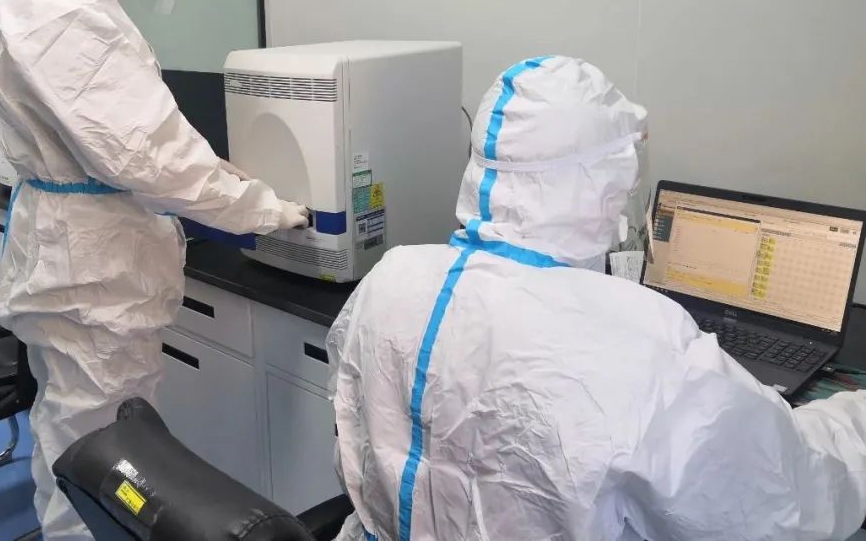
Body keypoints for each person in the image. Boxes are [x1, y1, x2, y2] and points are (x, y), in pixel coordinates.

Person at [327, 56, 866, 541]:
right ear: (602, 185)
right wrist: (852, 417)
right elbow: (785, 502)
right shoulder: (639, 343)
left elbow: (356, 441)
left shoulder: (390, 278)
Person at [0, 0, 307, 540]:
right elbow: (149, 157)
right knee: (103, 459)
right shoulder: (59, 9)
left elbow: (125, 132)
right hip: (93, 276)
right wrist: (262, 208)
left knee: (71, 438)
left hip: (77, 259)